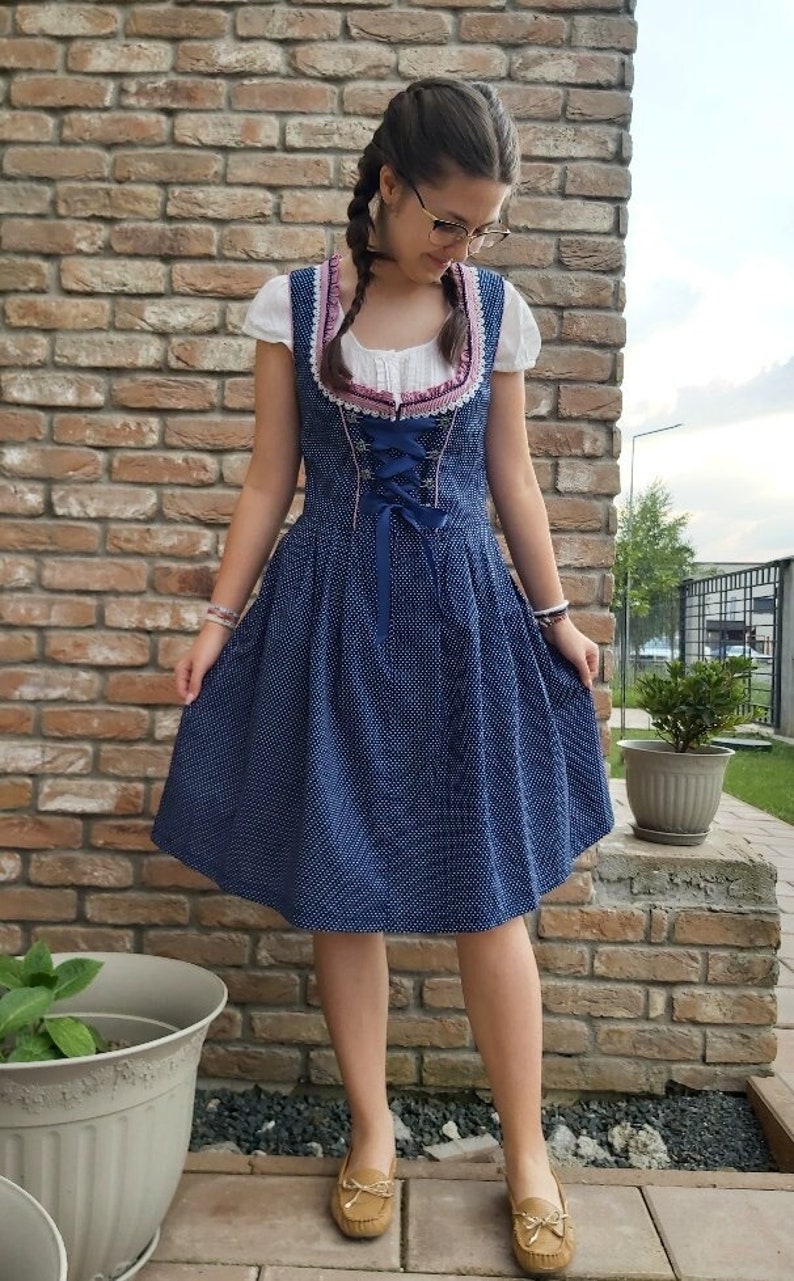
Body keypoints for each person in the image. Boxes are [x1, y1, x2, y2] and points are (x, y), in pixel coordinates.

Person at [152, 78, 613, 1276]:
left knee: (486, 887)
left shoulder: (493, 309)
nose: (465, 245)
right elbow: (267, 480)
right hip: (329, 608)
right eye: (449, 219)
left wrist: (556, 616)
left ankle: (527, 1155)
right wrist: (216, 617)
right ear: (389, 184)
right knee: (342, 878)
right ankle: (372, 1132)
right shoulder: (292, 306)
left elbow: (511, 480)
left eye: (483, 227)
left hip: (463, 614)